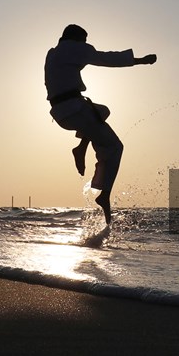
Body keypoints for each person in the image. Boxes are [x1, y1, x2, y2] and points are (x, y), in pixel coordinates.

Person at [44, 24, 156, 223]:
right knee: (115, 146)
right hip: (75, 109)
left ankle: (81, 148)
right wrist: (140, 61)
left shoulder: (52, 54)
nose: (87, 44)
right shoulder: (76, 48)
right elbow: (106, 58)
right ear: (78, 38)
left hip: (62, 113)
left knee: (102, 111)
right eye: (85, 40)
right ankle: (104, 194)